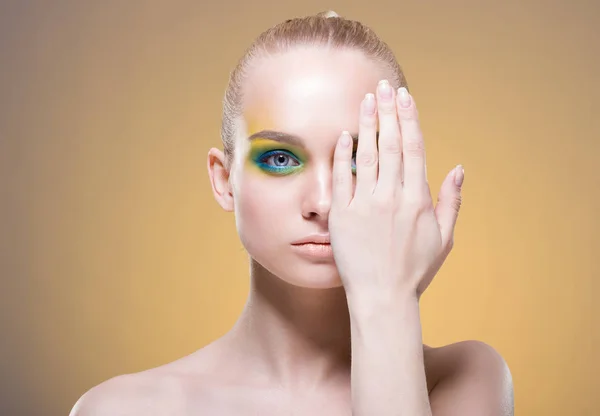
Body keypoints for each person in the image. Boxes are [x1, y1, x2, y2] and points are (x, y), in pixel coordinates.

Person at [70, 10, 514, 415]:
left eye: (358, 159)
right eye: (280, 158)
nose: (322, 203)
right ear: (223, 180)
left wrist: (390, 299)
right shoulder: (122, 408)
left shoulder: (465, 379)